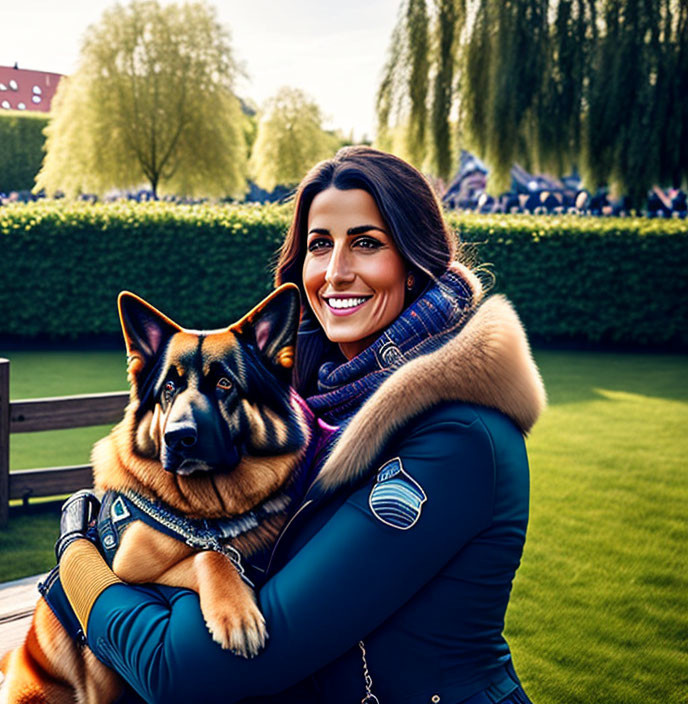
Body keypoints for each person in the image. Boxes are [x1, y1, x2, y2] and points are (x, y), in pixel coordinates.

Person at [55, 146, 546, 704]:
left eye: (366, 242)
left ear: (413, 264)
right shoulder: (313, 409)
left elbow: (187, 671)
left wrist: (78, 563)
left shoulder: (454, 440)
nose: (336, 272)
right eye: (319, 245)